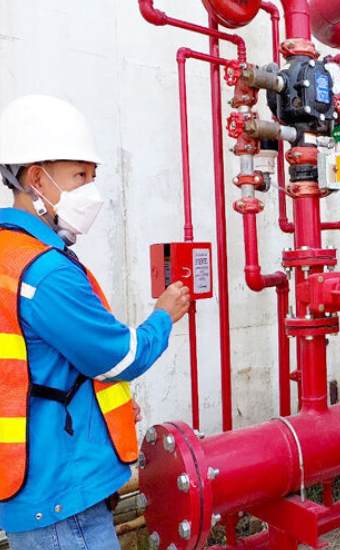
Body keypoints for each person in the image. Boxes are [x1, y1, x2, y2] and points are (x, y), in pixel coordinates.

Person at [0, 95, 191, 550]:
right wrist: (163, 316)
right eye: (80, 176)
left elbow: (33, 365)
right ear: (37, 179)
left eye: (93, 176)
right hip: (64, 497)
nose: (92, 191)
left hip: (31, 478)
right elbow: (119, 357)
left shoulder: (9, 254)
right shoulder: (46, 273)